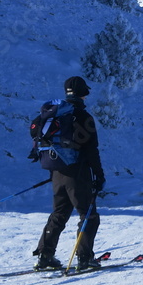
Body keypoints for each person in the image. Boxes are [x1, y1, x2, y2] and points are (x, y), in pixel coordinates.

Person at [33, 76, 106, 271]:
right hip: (78, 173)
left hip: (57, 171)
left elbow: (35, 132)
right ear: (84, 93)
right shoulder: (84, 117)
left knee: (59, 213)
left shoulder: (54, 114)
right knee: (88, 214)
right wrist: (99, 176)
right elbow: (92, 151)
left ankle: (45, 256)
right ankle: (84, 258)